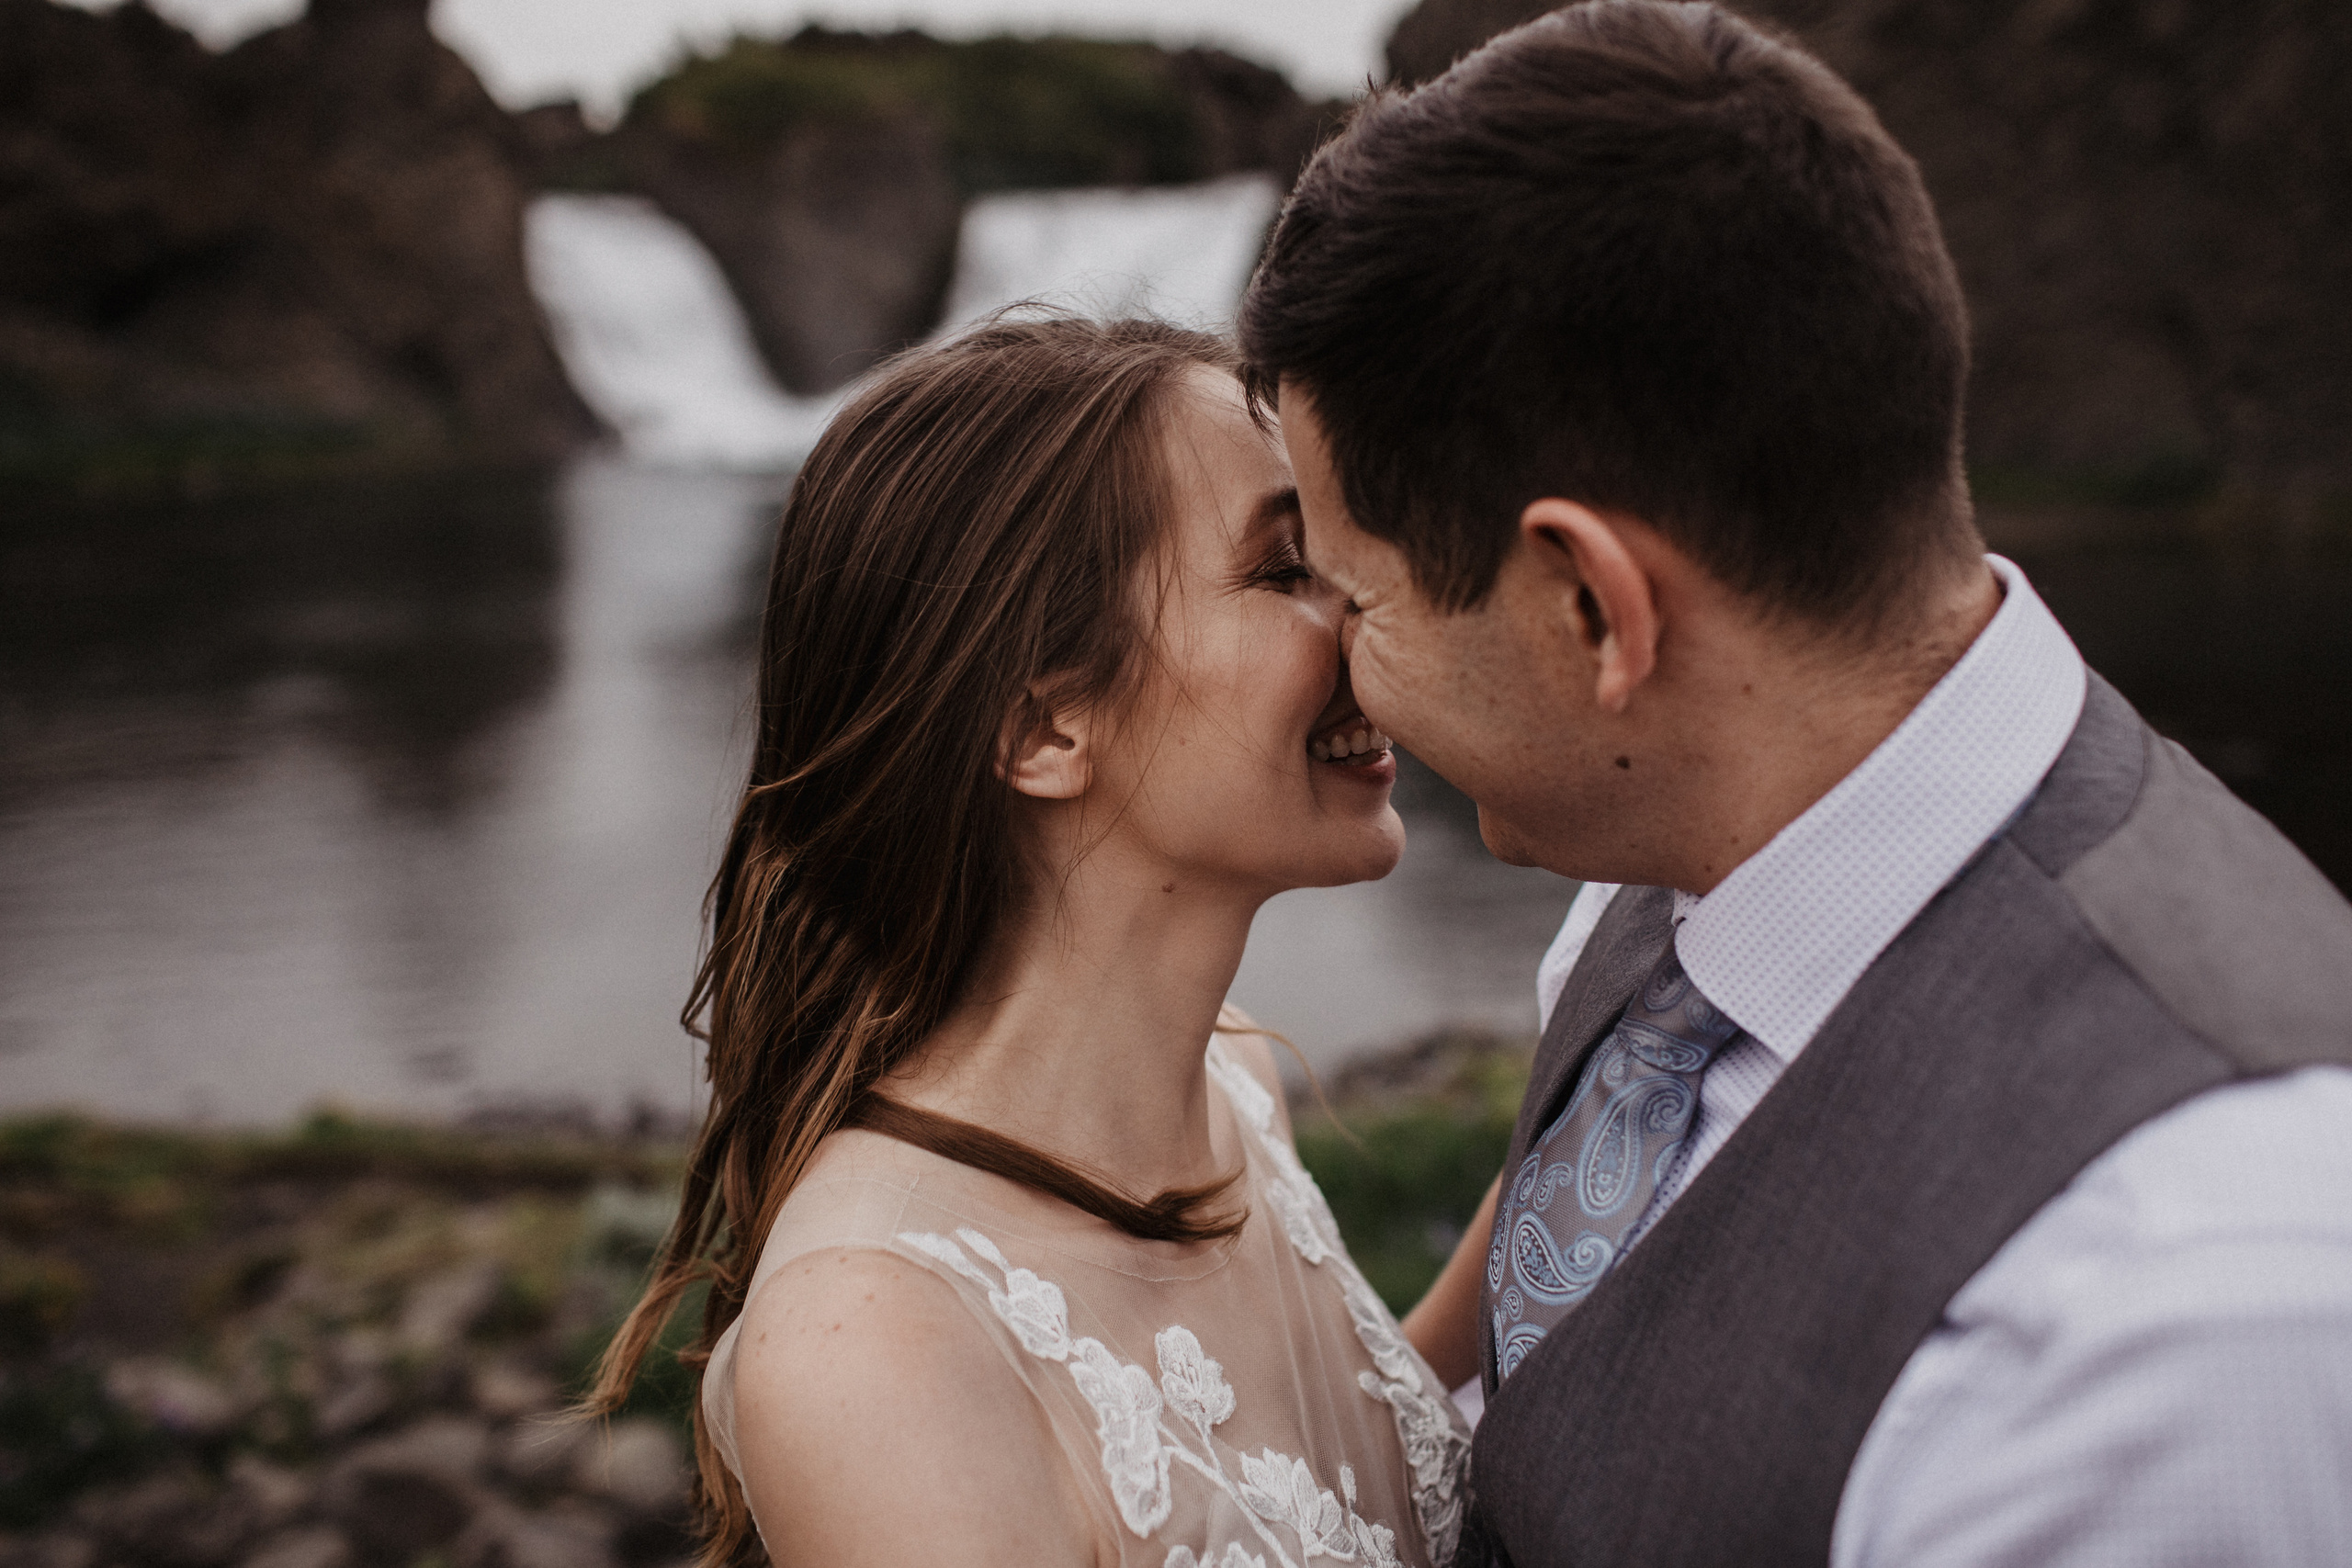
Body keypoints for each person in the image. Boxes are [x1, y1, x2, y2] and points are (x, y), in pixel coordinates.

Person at [1239, 3, 2352, 1565]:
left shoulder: (2178, 1314)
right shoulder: (1683, 852)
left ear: (1595, 612)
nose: (1344, 671)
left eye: (1360, 603)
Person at [586, 317, 1471, 1568]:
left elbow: (1318, 1495)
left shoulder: (1236, 1085)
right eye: (1286, 571)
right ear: (1044, 729)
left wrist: (1568, 1197)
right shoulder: (875, 1343)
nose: (1372, 612)